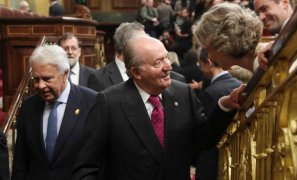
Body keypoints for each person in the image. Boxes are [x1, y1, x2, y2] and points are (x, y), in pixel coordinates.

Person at [73, 35, 243, 180]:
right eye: (158, 63)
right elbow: (86, 167)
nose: (168, 66)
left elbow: (203, 141)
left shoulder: (183, 93)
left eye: (166, 57)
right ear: (136, 72)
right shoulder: (109, 102)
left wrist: (224, 106)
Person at [11, 45, 97, 180]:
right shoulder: (28, 107)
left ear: (65, 74)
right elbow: (21, 163)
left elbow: (99, 159)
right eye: (36, 79)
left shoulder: (92, 102)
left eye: (47, 79)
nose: (40, 86)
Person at [88, 22, 185, 92]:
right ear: (127, 46)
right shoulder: (98, 79)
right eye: (144, 40)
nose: (150, 43)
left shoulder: (176, 80)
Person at [194, 48, 242, 180]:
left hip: (215, 162)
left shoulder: (210, 93)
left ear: (208, 63)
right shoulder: (238, 84)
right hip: (239, 156)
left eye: (200, 64)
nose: (200, 68)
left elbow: (207, 133)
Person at [193, 2, 263, 72]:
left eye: (208, 50)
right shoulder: (261, 63)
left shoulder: (266, 64)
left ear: (221, 43)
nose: (209, 57)